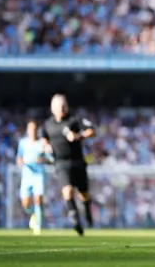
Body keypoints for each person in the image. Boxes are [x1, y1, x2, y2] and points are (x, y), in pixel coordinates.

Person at [41, 94, 95, 236]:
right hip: (60, 163)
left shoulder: (74, 120)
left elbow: (91, 131)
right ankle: (76, 221)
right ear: (53, 108)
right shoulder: (48, 124)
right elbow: (44, 138)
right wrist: (46, 146)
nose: (62, 109)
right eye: (59, 106)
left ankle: (87, 213)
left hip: (77, 162)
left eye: (64, 106)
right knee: (68, 190)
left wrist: (79, 136)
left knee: (83, 194)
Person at [16, 120, 47, 234]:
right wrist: (20, 162)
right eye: (30, 129)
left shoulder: (41, 143)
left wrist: (43, 158)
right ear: (27, 131)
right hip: (27, 175)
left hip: (38, 175)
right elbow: (19, 157)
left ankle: (38, 225)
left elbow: (48, 157)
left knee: (38, 199)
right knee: (26, 204)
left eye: (34, 129)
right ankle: (33, 213)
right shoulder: (23, 143)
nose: (32, 131)